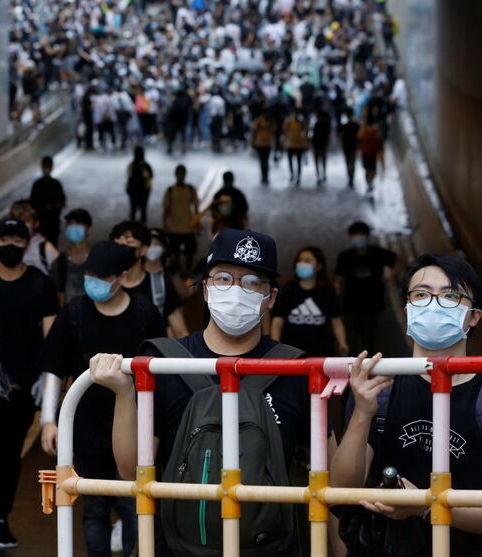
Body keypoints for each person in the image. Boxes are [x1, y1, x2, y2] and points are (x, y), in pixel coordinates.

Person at [89, 229, 317, 556]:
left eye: (252, 282)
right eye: (223, 278)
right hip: (175, 548)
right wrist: (124, 394)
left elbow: (336, 479)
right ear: (206, 289)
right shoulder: (163, 363)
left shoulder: (297, 369)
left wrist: (363, 409)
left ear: (272, 297)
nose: (236, 290)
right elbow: (131, 471)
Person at [331, 254, 482, 557]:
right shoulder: (379, 386)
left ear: (473, 316)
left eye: (450, 296)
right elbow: (341, 490)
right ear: (408, 309)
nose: (433, 304)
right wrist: (362, 411)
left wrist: (424, 504)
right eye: (421, 294)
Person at [38, 241, 167, 557]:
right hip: (86, 431)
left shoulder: (145, 315)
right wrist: (48, 421)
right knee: (93, 509)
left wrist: (157, 433)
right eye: (89, 274)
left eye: (101, 276)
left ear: (122, 277)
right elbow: (53, 367)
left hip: (132, 432)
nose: (92, 282)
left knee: (133, 506)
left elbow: (162, 376)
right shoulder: (74, 313)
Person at [0, 219, 59, 553]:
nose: (10, 244)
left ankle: (1, 519)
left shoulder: (40, 284)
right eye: (4, 238)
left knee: (9, 457)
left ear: (26, 245)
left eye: (17, 239)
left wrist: (48, 380)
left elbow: (52, 338)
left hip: (23, 387)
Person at [110, 221, 189, 339]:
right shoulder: (106, 285)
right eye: (118, 244)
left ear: (143, 249)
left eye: (129, 243)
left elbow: (181, 332)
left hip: (149, 356)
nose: (122, 249)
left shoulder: (160, 285)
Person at [334, 222, 399, 355]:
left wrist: (390, 277)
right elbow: (339, 279)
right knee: (351, 338)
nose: (358, 238)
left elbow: (399, 260)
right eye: (354, 235)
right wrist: (335, 298)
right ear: (350, 237)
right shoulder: (345, 256)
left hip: (373, 303)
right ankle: (351, 367)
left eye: (361, 235)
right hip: (350, 304)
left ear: (367, 236)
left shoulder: (377, 253)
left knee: (369, 338)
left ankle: (368, 368)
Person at [271, 246, 348, 357]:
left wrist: (342, 343)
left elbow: (336, 323)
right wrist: (276, 346)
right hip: (291, 353)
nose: (302, 264)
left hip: (321, 353)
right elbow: (277, 323)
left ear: (318, 267)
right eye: (300, 261)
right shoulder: (287, 290)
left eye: (307, 261)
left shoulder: (328, 291)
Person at [162, 165, 199, 277]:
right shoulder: (172, 191)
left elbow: (196, 209)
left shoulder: (174, 190)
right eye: (179, 173)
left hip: (185, 228)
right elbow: (166, 210)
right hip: (178, 229)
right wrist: (165, 226)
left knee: (188, 253)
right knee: (179, 253)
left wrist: (196, 225)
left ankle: (185, 272)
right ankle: (183, 272)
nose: (180, 175)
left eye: (182, 173)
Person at [51, 208, 93, 306]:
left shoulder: (99, 257)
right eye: (70, 224)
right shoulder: (59, 262)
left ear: (89, 230)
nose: (74, 227)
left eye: (79, 224)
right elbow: (59, 295)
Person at [9, 199, 60, 276]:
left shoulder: (45, 249)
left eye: (26, 220)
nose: (22, 226)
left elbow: (58, 278)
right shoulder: (8, 247)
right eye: (18, 221)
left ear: (36, 223)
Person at [30, 156, 67, 246]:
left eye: (48, 166)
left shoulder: (56, 184)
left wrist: (52, 206)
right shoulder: (37, 184)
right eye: (44, 166)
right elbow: (32, 202)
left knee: (53, 246)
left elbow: (63, 202)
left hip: (53, 223)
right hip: (40, 224)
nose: (46, 168)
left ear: (51, 167)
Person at [125, 146, 153, 223]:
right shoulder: (146, 165)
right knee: (143, 210)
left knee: (133, 209)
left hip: (133, 191)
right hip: (144, 191)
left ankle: (132, 226)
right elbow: (151, 176)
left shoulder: (132, 165)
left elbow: (129, 176)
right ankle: (142, 227)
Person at [283, 109, 310, 186]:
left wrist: (306, 143)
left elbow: (306, 131)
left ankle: (298, 177)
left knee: (298, 162)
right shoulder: (289, 121)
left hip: (299, 144)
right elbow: (285, 131)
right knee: (291, 161)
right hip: (291, 144)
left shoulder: (302, 122)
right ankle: (292, 174)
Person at [357, 117, 383, 193]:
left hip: (365, 153)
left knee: (367, 168)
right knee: (372, 168)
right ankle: (371, 181)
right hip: (373, 153)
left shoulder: (363, 130)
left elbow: (359, 140)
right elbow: (379, 141)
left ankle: (368, 182)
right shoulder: (376, 131)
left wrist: (360, 148)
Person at [337, 108, 360, 189]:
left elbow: (340, 136)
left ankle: (351, 178)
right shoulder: (355, 125)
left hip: (349, 146)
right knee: (351, 163)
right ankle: (351, 178)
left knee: (349, 162)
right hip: (350, 146)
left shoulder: (346, 126)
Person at [251, 112, 276, 184]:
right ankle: (263, 176)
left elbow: (273, 131)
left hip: (267, 143)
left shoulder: (270, 121)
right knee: (262, 161)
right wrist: (253, 141)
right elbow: (254, 131)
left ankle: (265, 176)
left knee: (266, 161)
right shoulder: (259, 121)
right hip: (260, 143)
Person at [311, 109, 332, 185]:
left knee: (321, 160)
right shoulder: (317, 124)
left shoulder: (323, 125)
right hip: (318, 145)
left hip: (321, 144)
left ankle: (322, 174)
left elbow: (327, 136)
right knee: (320, 160)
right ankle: (320, 175)